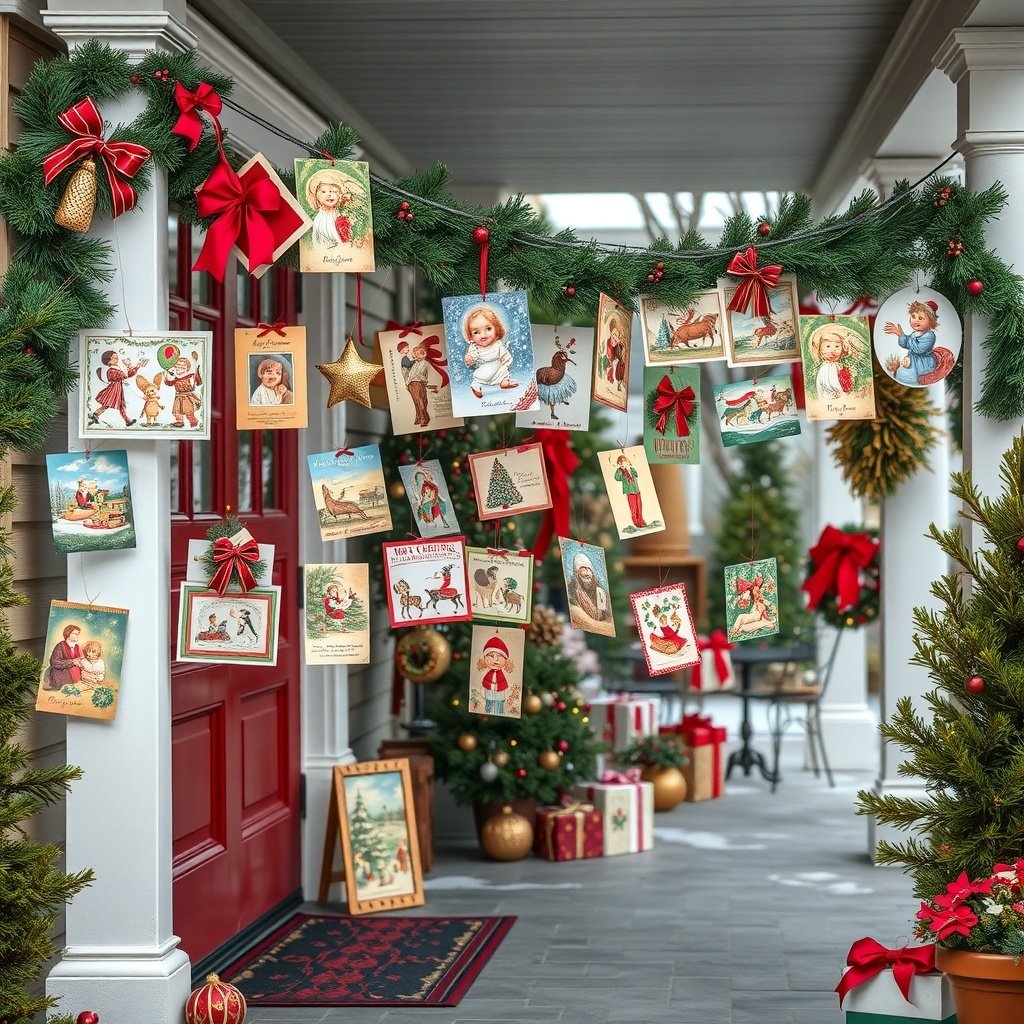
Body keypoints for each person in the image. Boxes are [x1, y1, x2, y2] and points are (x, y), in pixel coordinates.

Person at [463, 306, 517, 399]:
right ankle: (476, 387)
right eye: (476, 332)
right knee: (480, 377)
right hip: (484, 369)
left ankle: (504, 382)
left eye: (488, 329)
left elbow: (505, 355)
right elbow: (471, 359)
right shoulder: (474, 347)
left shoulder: (498, 344)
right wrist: (469, 359)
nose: (483, 335)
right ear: (470, 335)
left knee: (503, 370)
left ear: (496, 328)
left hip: (497, 367)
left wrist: (507, 363)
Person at [883, 299, 940, 386]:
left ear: (931, 322)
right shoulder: (916, 333)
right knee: (901, 373)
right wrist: (900, 335)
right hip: (914, 360)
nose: (915, 321)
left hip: (924, 362)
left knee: (906, 375)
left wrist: (905, 337)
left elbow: (918, 349)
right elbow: (905, 344)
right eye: (913, 316)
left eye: (920, 318)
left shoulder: (930, 335)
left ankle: (912, 382)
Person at [305, 168, 357, 250]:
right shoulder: (319, 220)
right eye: (323, 192)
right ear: (317, 196)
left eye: (333, 191)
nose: (329, 195)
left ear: (339, 194)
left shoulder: (339, 215)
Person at [90, 350, 144, 426]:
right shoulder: (111, 370)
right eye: (114, 358)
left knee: (121, 405)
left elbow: (128, 374)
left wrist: (137, 367)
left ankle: (127, 421)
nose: (117, 359)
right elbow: (125, 375)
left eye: (117, 357)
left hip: (118, 389)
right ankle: (95, 414)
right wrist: (126, 367)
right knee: (108, 403)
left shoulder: (117, 368)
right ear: (108, 361)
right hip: (113, 389)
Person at [808, 324, 858, 401]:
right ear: (820, 349)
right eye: (828, 346)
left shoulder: (840, 367)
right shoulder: (824, 369)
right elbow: (819, 387)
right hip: (828, 400)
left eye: (837, 346)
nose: (833, 350)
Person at [566, 550, 611, 625]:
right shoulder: (572, 592)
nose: (587, 574)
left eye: (589, 569)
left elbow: (606, 617)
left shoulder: (600, 592)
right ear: (576, 573)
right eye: (583, 569)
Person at [477, 634, 515, 715]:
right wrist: (483, 691)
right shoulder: (488, 674)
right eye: (491, 655)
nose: (495, 660)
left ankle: (498, 714)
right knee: (488, 707)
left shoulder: (501, 675)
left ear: (505, 660)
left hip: (499, 695)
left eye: (499, 656)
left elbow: (504, 684)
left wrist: (505, 694)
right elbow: (485, 683)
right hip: (489, 693)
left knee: (499, 707)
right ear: (485, 658)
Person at [163, 354, 202, 428]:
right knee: (177, 410)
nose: (180, 368)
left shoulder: (190, 376)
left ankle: (193, 421)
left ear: (187, 368)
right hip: (178, 396)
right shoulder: (175, 377)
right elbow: (168, 383)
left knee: (189, 411)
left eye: (183, 367)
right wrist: (169, 375)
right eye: (178, 366)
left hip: (187, 396)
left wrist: (197, 372)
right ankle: (179, 421)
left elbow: (199, 382)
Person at [613, 453, 647, 529]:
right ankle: (636, 522)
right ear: (619, 465)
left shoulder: (631, 469)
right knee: (633, 507)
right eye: (622, 466)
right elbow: (616, 477)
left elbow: (636, 474)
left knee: (639, 506)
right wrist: (622, 473)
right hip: (629, 491)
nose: (624, 467)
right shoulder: (620, 471)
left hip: (636, 490)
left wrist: (630, 469)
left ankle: (641, 520)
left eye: (626, 465)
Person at [405, 344, 434, 426]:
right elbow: (411, 374)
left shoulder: (424, 363)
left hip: (418, 383)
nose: (415, 356)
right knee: (416, 402)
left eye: (417, 354)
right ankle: (418, 418)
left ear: (422, 354)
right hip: (412, 384)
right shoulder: (415, 363)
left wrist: (412, 378)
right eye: (415, 354)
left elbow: (419, 374)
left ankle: (424, 418)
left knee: (421, 401)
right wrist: (408, 383)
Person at [47, 624, 82, 690]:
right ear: (68, 633)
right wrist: (73, 662)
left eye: (78, 634)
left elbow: (78, 659)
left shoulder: (77, 646)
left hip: (75, 675)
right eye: (75, 634)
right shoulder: (60, 646)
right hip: (62, 675)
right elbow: (55, 663)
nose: (77, 635)